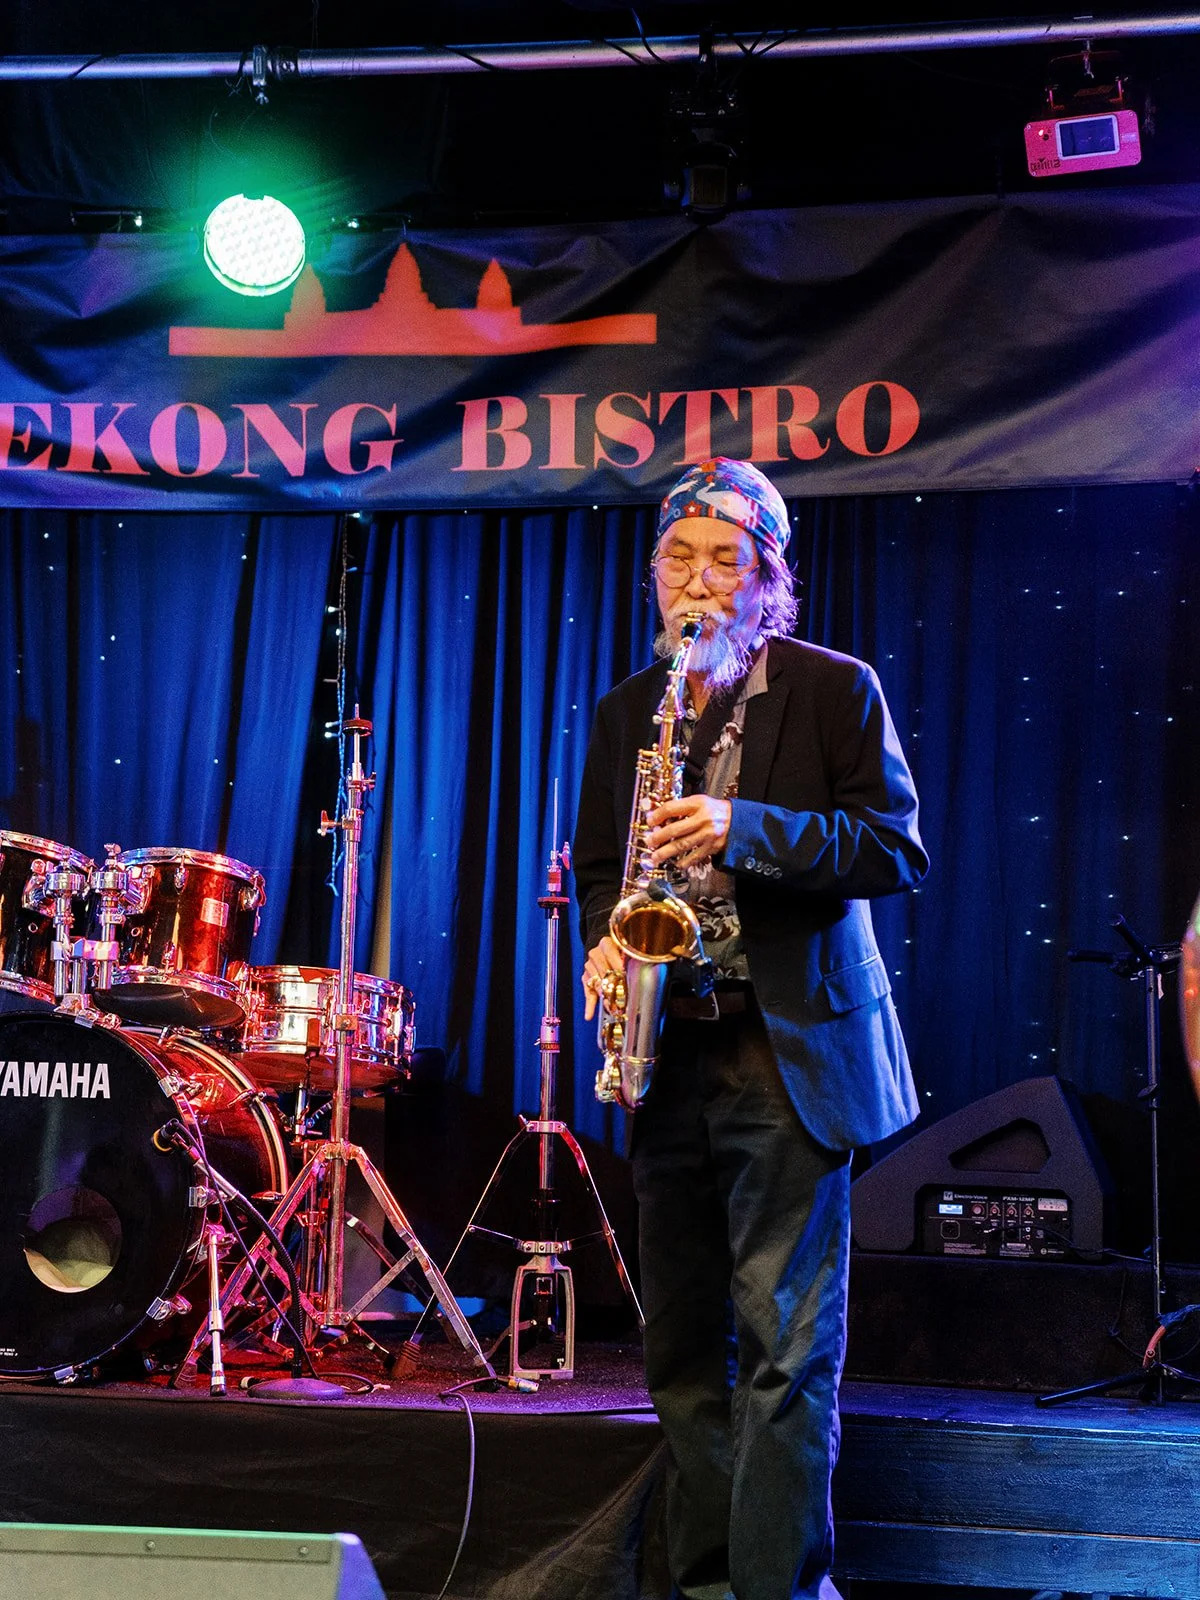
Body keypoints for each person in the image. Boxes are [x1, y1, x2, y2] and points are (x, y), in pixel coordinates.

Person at [573, 457, 928, 1600]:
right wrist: (603, 943)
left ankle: (785, 1593)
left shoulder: (836, 688)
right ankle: (712, 1584)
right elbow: (597, 869)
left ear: (769, 581)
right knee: (679, 1352)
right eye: (681, 557)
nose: (700, 580)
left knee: (783, 1354)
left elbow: (894, 850)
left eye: (728, 561)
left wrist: (742, 824)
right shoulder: (632, 707)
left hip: (788, 1050)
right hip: (671, 1048)